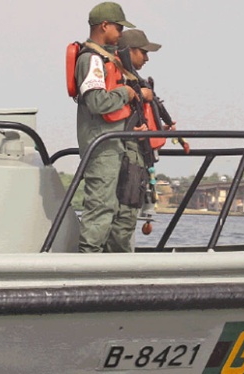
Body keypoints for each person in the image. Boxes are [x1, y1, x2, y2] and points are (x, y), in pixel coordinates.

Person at [105, 29, 176, 252]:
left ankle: (119, 258)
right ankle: (118, 262)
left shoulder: (133, 79)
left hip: (138, 155)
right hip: (129, 156)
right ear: (130, 52)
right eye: (143, 52)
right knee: (125, 214)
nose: (146, 58)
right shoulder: (121, 80)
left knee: (128, 212)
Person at [75, 2, 137, 253]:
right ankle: (87, 263)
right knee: (100, 206)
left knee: (112, 207)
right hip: (101, 146)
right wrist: (126, 92)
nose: (121, 33)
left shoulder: (102, 59)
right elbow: (97, 102)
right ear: (104, 26)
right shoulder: (91, 60)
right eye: (119, 27)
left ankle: (104, 267)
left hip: (110, 143)